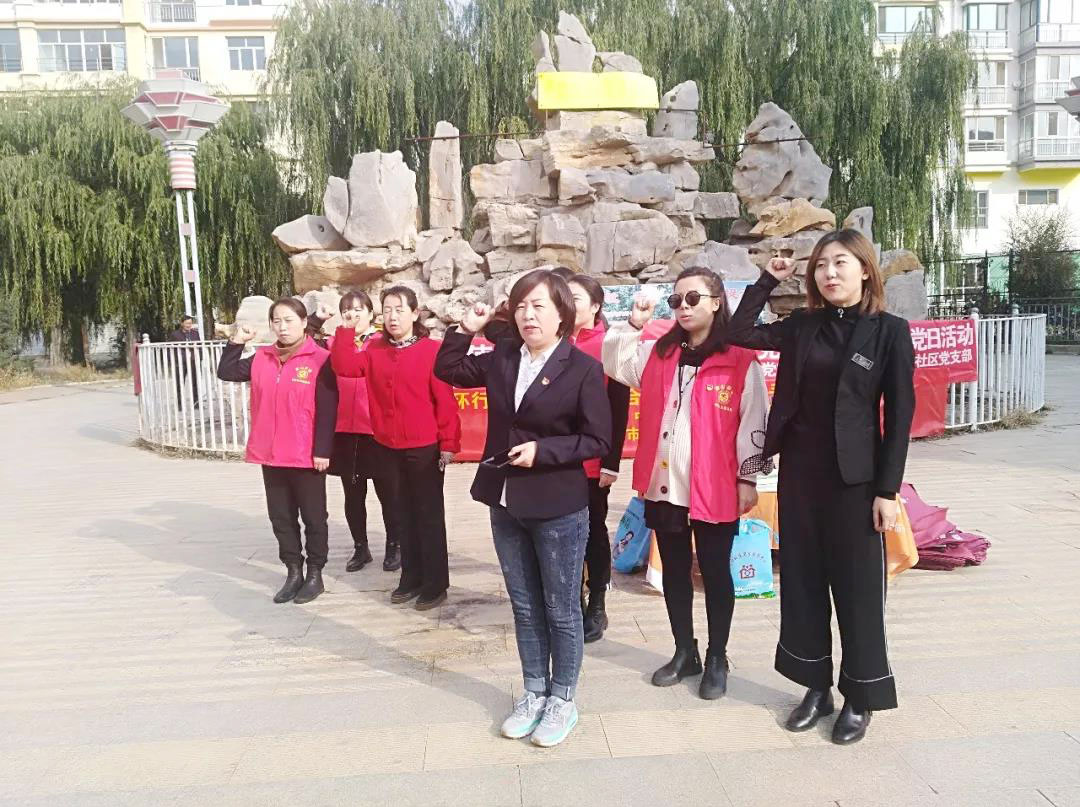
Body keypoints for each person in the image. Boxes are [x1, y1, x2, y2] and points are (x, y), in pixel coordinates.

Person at [727, 228, 915, 745]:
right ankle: (815, 688)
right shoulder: (802, 326)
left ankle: (860, 695)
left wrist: (887, 491)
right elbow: (740, 332)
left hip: (857, 484)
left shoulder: (889, 332)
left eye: (840, 263)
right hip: (801, 477)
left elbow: (899, 418)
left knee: (858, 591)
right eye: (822, 265)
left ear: (865, 271)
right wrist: (768, 280)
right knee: (804, 583)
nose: (830, 273)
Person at [434, 268, 611, 748]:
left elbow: (598, 439)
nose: (528, 315)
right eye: (521, 306)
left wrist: (543, 451)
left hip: (557, 503)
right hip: (505, 499)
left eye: (539, 306)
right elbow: (448, 369)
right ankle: (534, 692)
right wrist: (466, 327)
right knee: (525, 605)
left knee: (560, 608)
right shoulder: (504, 356)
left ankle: (563, 699)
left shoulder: (582, 368)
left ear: (562, 314)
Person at [603, 267, 771, 701]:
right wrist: (634, 323)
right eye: (675, 300)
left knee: (715, 572)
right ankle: (684, 651)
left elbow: (754, 419)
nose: (683, 307)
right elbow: (616, 364)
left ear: (716, 302)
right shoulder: (659, 354)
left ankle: (717, 656)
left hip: (716, 485)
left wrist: (747, 477)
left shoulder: (740, 358)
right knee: (674, 572)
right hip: (665, 484)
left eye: (693, 298)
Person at [331, 286, 460, 610]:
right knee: (401, 514)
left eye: (399, 310)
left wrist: (449, 443)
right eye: (387, 310)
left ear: (415, 313)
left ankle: (435, 583)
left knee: (428, 516)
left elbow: (445, 401)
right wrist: (346, 329)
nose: (392, 317)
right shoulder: (375, 349)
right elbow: (345, 366)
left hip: (424, 447)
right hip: (386, 445)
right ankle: (410, 577)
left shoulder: (431, 350)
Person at [217, 298, 338, 604]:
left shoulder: (321, 359)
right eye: (277, 321)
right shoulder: (262, 358)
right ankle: (293, 571)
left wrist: (323, 449)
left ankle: (315, 574)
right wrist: (236, 342)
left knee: (314, 517)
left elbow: (327, 409)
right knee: (281, 517)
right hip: (270, 453)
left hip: (306, 454)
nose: (282, 327)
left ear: (304, 323)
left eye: (289, 320)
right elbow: (227, 371)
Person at [552, 268, 631, 643]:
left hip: (591, 459)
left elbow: (619, 408)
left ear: (596, 306)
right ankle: (572, 598)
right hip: (555, 457)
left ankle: (597, 600)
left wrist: (611, 462)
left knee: (593, 530)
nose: (567, 305)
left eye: (575, 299)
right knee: (560, 532)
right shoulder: (552, 341)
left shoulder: (609, 344)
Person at [324, 292, 402, 574]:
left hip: (377, 430)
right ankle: (361, 547)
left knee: (389, 493)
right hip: (345, 430)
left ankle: (394, 545)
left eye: (359, 309)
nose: (353, 314)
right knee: (353, 494)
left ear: (371, 314)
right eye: (347, 309)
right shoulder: (334, 343)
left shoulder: (383, 343)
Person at [169, 315, 200, 406]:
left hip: (193, 361)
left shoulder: (195, 333)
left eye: (190, 323)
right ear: (182, 323)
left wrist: (199, 358)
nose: (189, 325)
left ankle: (196, 403)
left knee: (195, 383)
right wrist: (172, 360)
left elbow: (199, 346)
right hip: (180, 362)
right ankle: (180, 404)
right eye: (187, 323)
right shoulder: (175, 334)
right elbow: (170, 348)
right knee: (179, 383)